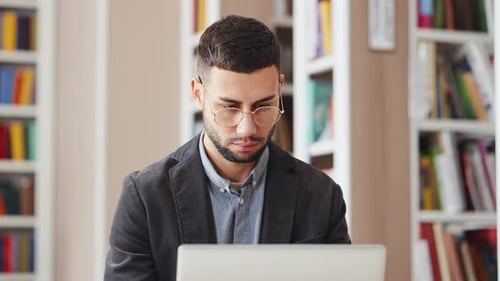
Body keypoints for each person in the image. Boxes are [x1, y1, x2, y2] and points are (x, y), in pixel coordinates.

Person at [104, 14, 350, 281]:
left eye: (263, 106)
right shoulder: (145, 198)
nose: (247, 128)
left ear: (280, 88)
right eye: (229, 108)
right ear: (198, 93)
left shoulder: (321, 196)